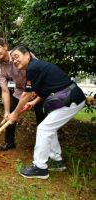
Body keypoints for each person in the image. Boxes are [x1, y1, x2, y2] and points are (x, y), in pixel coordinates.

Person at [8, 45, 86, 179]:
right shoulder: (35, 67)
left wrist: (15, 113)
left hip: (70, 99)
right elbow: (45, 88)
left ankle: (40, 168)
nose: (14, 61)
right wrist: (32, 103)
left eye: (17, 57)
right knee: (49, 128)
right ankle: (57, 161)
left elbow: (26, 95)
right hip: (69, 97)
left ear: (27, 55)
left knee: (44, 129)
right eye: (12, 59)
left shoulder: (33, 68)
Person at [0, 37, 46, 151]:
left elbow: (38, 70)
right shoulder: (0, 70)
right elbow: (5, 91)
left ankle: (43, 146)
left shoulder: (20, 54)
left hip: (37, 89)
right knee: (10, 116)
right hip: (20, 92)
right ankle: (9, 142)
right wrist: (6, 111)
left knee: (41, 117)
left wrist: (34, 89)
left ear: (5, 46)